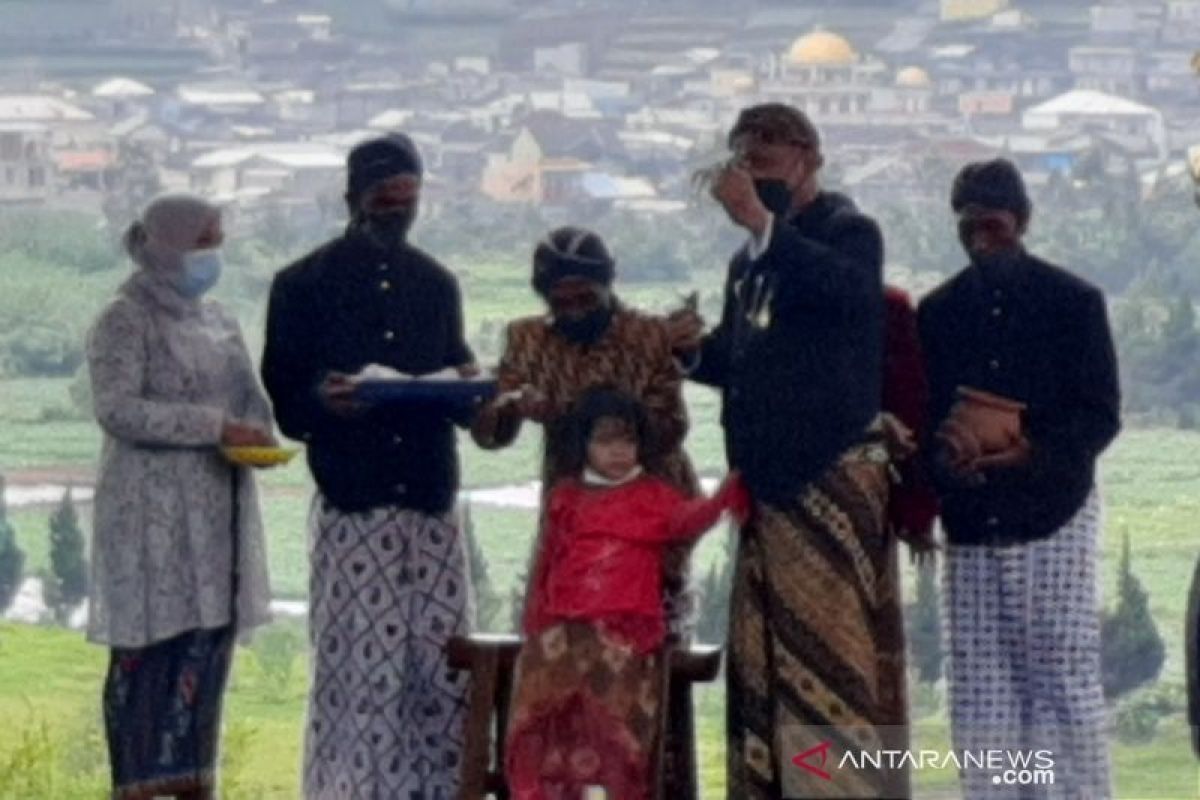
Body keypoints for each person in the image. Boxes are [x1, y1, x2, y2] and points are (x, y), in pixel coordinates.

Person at [671, 102, 909, 798]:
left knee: (834, 653)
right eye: (743, 162)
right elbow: (744, 355)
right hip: (768, 487)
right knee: (768, 661)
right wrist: (690, 353)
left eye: (767, 161)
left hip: (829, 476)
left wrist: (762, 226)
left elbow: (848, 296)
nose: (754, 175)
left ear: (807, 158)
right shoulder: (749, 263)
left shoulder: (848, 231)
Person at [261, 133, 476, 799]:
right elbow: (287, 398)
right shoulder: (302, 285)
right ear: (354, 198)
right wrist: (327, 399)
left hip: (431, 509)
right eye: (386, 199)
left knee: (443, 679)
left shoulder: (435, 283)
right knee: (361, 678)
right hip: (357, 508)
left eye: (409, 199)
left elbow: (458, 373)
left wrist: (476, 392)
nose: (399, 211)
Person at [471, 227, 705, 793]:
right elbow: (488, 430)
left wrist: (584, 419)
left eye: (585, 298)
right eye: (561, 301)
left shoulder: (647, 336)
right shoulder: (527, 339)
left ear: (608, 286)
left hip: (647, 529)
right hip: (574, 530)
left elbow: (671, 426)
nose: (573, 311)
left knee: (642, 677)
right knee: (557, 675)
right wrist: (508, 407)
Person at [917, 158, 1121, 799]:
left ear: (1022, 221)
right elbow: (922, 420)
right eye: (969, 225)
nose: (981, 236)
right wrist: (945, 458)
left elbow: (1100, 415)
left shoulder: (1073, 303)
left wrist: (1031, 451)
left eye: (994, 224)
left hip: (1051, 517)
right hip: (975, 522)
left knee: (1062, 685)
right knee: (982, 699)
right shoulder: (940, 311)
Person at [86, 194, 274, 800]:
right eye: (202, 242)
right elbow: (117, 407)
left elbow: (247, 400)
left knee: (203, 651)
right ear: (166, 245)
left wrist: (254, 430)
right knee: (148, 655)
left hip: (217, 512)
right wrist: (211, 427)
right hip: (149, 519)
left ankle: (194, 782)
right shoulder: (125, 318)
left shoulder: (218, 318)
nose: (211, 255)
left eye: (216, 240)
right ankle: (139, 786)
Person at [504, 388, 748, 800]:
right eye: (605, 441)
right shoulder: (566, 497)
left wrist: (728, 491)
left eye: (628, 441)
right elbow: (547, 563)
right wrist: (536, 620)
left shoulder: (654, 496)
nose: (618, 452)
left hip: (624, 632)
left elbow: (689, 520)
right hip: (560, 631)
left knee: (619, 733)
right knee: (539, 723)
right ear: (583, 444)